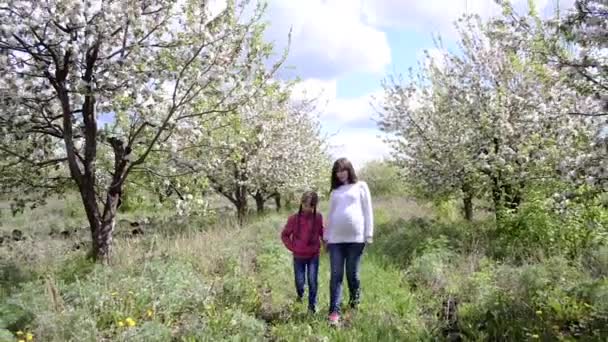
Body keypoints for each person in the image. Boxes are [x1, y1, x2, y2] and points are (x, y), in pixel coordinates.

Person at [324, 157, 374, 325]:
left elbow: (368, 211)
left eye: (343, 170)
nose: (340, 174)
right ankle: (334, 312)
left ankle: (354, 303)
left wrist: (369, 234)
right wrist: (326, 236)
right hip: (336, 240)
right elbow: (330, 215)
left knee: (352, 274)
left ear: (349, 170)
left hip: (356, 239)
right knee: (336, 276)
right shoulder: (335, 192)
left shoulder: (361, 186)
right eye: (337, 171)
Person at [281, 190, 324, 313]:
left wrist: (327, 242)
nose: (308, 209)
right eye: (305, 205)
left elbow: (322, 232)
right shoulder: (293, 219)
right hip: (298, 256)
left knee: (312, 280)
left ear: (315, 206)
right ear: (301, 203)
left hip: (313, 255)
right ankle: (300, 295)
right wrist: (292, 247)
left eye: (311, 206)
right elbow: (284, 235)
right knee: (300, 281)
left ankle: (312, 306)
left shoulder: (318, 217)